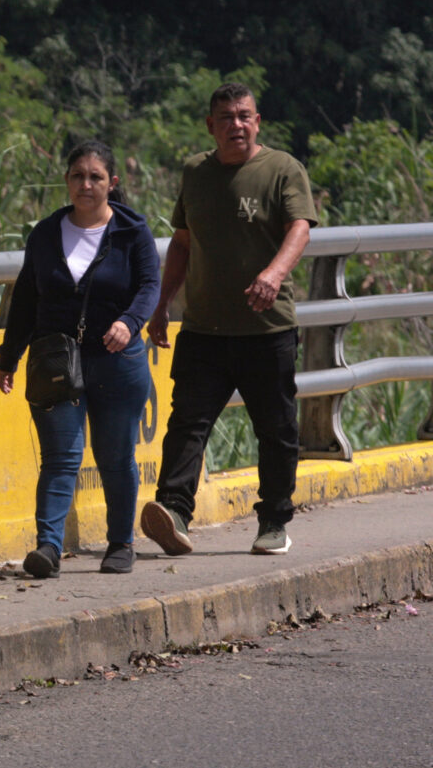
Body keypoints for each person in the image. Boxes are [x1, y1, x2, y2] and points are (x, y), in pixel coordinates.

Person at [140, 82, 317, 557]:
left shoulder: (282, 169)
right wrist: (162, 304)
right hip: (203, 328)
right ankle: (174, 511)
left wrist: (274, 273)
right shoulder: (196, 172)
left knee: (275, 429)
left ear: (257, 122)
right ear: (210, 125)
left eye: (244, 116)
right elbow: (181, 242)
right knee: (187, 424)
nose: (235, 125)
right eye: (226, 117)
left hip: (267, 329)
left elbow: (300, 228)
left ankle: (274, 522)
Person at [0, 141, 161, 578]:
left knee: (115, 455)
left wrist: (130, 322)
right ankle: (47, 548)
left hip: (117, 358)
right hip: (56, 360)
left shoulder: (132, 231)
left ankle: (120, 543)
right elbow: (27, 297)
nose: (85, 185)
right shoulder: (46, 233)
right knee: (59, 457)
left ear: (113, 182)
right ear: (67, 180)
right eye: (77, 176)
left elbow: (150, 286)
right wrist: (9, 355)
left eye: (95, 177)